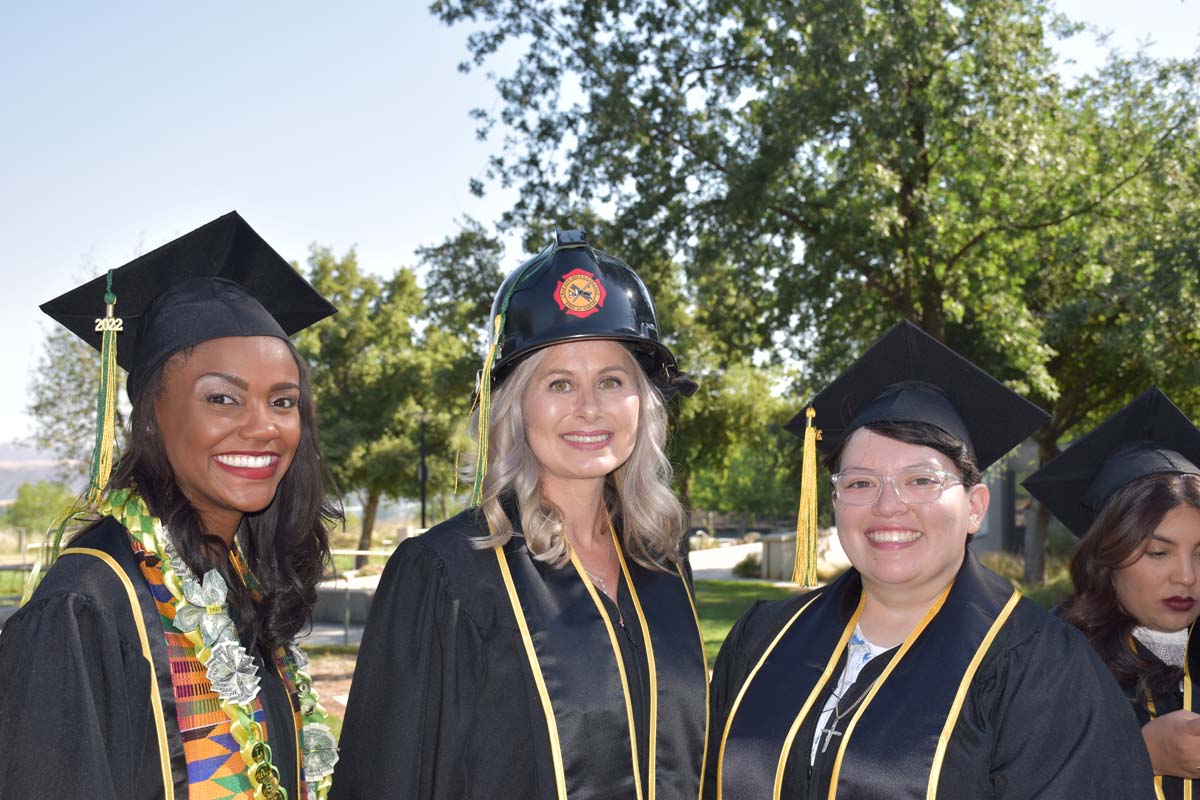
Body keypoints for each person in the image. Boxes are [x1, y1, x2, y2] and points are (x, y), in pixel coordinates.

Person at [705, 321, 1155, 799]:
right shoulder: (764, 638)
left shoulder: (1040, 667)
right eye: (860, 483)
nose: (888, 505)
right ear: (834, 502)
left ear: (975, 507)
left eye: (921, 480)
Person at [332, 230, 708, 800]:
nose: (589, 407)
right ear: (514, 407)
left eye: (612, 380)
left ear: (643, 404)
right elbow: (389, 777)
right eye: (559, 383)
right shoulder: (446, 574)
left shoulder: (662, 561)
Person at [0, 212, 342, 800]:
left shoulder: (242, 585)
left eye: (283, 402)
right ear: (153, 415)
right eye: (222, 398)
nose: (264, 427)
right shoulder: (84, 605)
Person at [1025, 386, 1200, 800]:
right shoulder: (1050, 663)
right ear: (1105, 558)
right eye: (1158, 552)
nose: (1187, 577)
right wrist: (1141, 753)